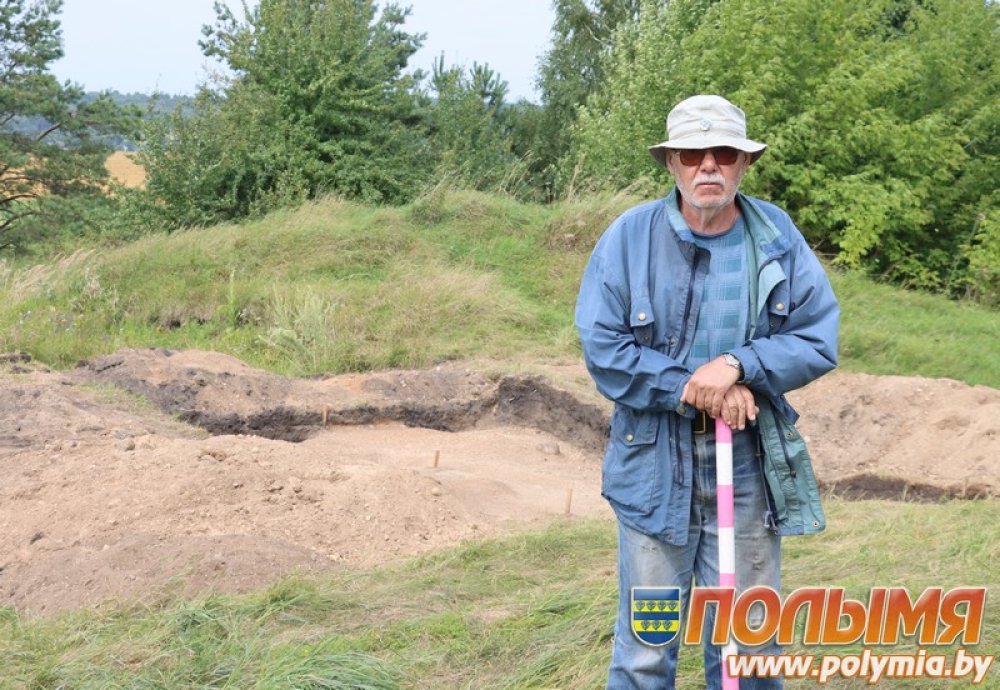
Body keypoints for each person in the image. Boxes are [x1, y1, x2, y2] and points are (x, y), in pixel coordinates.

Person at [575, 94, 839, 689]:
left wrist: (740, 364)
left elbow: (816, 337)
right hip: (652, 463)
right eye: (693, 154)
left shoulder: (776, 236)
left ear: (745, 162)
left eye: (724, 152)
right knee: (646, 648)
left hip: (747, 461)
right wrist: (697, 387)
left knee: (749, 643)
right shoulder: (628, 238)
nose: (709, 165)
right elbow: (604, 348)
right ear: (672, 162)